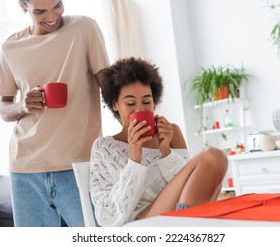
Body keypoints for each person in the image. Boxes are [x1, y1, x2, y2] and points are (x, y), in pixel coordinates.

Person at [0, 0, 109, 227]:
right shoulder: (10, 47)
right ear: (23, 7)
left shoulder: (84, 28)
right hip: (25, 167)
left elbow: (109, 85)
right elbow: (3, 109)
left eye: (57, 5)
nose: (52, 16)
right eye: (40, 11)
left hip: (79, 162)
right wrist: (23, 105)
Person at [90, 57, 228, 227]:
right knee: (210, 156)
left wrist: (166, 152)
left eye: (147, 102)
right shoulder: (103, 148)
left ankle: (187, 228)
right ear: (115, 104)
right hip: (139, 224)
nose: (140, 109)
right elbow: (107, 217)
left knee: (215, 157)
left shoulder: (171, 133)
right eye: (131, 103)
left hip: (176, 216)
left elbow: (190, 187)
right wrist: (134, 158)